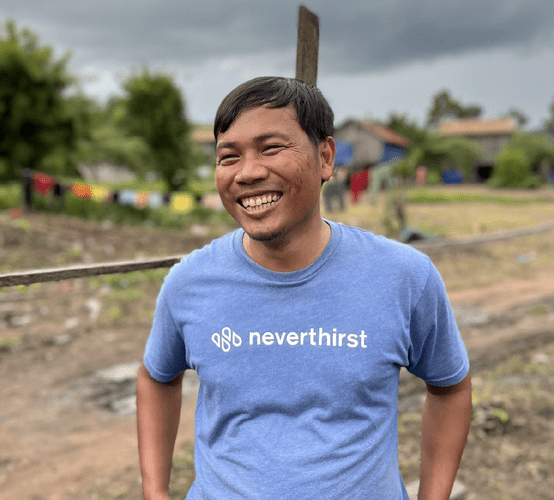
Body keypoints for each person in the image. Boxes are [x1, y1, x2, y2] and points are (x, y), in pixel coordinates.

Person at [136, 77, 471, 500]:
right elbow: (156, 378)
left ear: (326, 157)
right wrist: (155, 491)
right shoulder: (189, 281)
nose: (249, 172)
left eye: (271, 148)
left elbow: (451, 387)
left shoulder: (405, 276)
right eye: (229, 157)